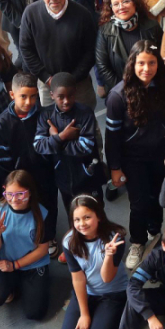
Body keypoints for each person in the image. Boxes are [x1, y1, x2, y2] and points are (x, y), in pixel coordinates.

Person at [105, 41, 165, 268]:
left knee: (158, 197)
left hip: (161, 152)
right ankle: (138, 241)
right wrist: (114, 168)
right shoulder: (117, 96)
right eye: (141, 63)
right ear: (132, 64)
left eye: (152, 63)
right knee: (139, 202)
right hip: (133, 158)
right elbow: (112, 137)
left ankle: (155, 231)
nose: (146, 68)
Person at [34, 72, 105, 255]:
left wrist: (56, 141)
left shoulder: (85, 113)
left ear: (76, 93)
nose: (66, 101)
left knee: (95, 212)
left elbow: (85, 146)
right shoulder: (45, 115)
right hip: (64, 179)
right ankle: (79, 247)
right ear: (52, 95)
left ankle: (101, 245)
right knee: (74, 214)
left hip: (88, 177)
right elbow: (39, 146)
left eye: (70, 95)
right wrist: (62, 137)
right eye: (61, 97)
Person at [0, 72, 58, 254]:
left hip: (44, 173)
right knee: (26, 207)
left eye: (33, 96)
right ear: (12, 95)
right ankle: (30, 237)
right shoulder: (3, 122)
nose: (29, 102)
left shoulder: (44, 115)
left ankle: (49, 237)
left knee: (49, 205)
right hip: (20, 178)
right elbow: (2, 157)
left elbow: (52, 147)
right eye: (23, 96)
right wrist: (8, 182)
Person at [19, 0, 98, 110]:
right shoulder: (30, 14)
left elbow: (91, 51)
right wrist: (47, 78)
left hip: (79, 85)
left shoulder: (83, 15)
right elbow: (26, 49)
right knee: (52, 121)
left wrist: (72, 79)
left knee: (87, 120)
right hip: (47, 85)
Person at [60, 195, 129, 329]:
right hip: (88, 292)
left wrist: (109, 255)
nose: (82, 224)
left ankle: (126, 312)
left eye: (87, 217)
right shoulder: (69, 242)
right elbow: (78, 278)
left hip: (112, 294)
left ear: (99, 216)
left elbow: (107, 278)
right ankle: (96, 316)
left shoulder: (115, 238)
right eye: (77, 219)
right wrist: (84, 314)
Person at [0, 170, 52, 320]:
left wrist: (15, 265)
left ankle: (27, 286)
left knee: (35, 314)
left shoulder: (42, 214)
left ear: (30, 192)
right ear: (4, 191)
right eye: (9, 194)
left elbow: (42, 249)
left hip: (32, 264)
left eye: (20, 194)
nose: (14, 199)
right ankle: (17, 287)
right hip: (5, 263)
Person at [95, 0, 163, 93]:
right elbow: (103, 67)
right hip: (119, 93)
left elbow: (162, 59)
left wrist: (150, 86)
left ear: (135, 2)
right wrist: (124, 91)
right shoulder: (105, 31)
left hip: (151, 91)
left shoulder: (152, 27)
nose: (121, 7)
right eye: (116, 4)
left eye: (125, 1)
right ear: (111, 8)